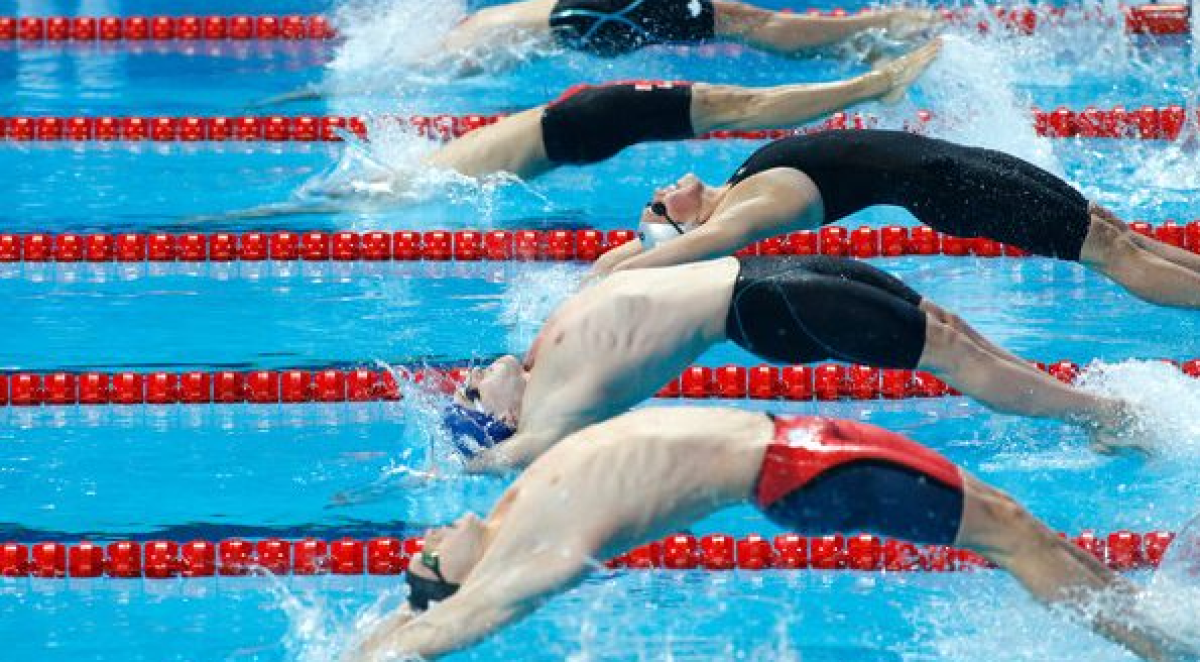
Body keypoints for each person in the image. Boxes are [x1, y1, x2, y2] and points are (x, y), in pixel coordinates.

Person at [345, 407, 1194, 662]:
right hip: (798, 468)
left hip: (800, 441)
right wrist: (403, 636)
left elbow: (412, 625)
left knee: (1020, 525)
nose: (420, 548)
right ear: (461, 580)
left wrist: (374, 633)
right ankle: (1162, 649)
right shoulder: (527, 561)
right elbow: (442, 632)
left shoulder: (507, 515)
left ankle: (1153, 627)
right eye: (425, 565)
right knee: (1011, 533)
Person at [443, 255, 1138, 474]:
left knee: (947, 329)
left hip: (766, 272)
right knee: (949, 356)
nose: (468, 375)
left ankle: (1094, 408)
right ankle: (1108, 417)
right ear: (501, 419)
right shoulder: (553, 410)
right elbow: (501, 463)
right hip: (768, 304)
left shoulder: (537, 359)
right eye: (470, 393)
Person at [591, 129, 1200, 310]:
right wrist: (624, 270)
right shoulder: (750, 209)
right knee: (1112, 254)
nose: (657, 192)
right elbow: (703, 248)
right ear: (684, 227)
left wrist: (625, 253)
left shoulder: (743, 180)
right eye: (658, 209)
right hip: (956, 187)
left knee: (1111, 228)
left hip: (962, 162)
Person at [435, 0, 940, 75]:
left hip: (530, 30)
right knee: (749, 24)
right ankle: (868, 32)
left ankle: (856, 39)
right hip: (592, 16)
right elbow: (764, 26)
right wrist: (875, 21)